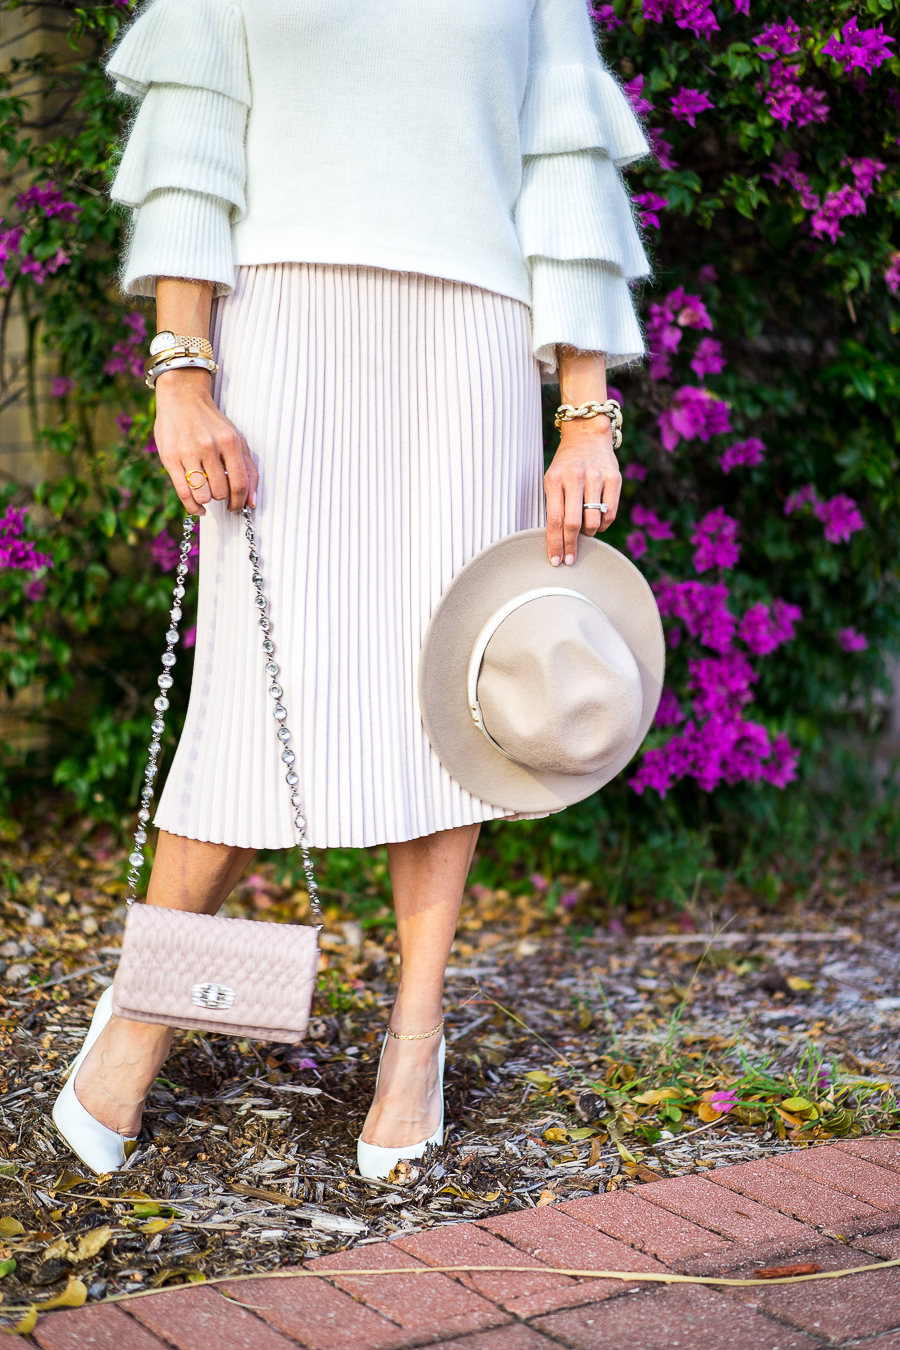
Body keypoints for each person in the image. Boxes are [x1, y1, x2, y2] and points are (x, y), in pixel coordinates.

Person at [53, 0, 650, 1178]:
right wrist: (182, 373)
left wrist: (586, 419)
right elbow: (192, 132)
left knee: (450, 713)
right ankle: (139, 1018)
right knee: (242, 713)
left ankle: (412, 1043)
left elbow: (566, 163)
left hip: (468, 346)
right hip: (281, 335)